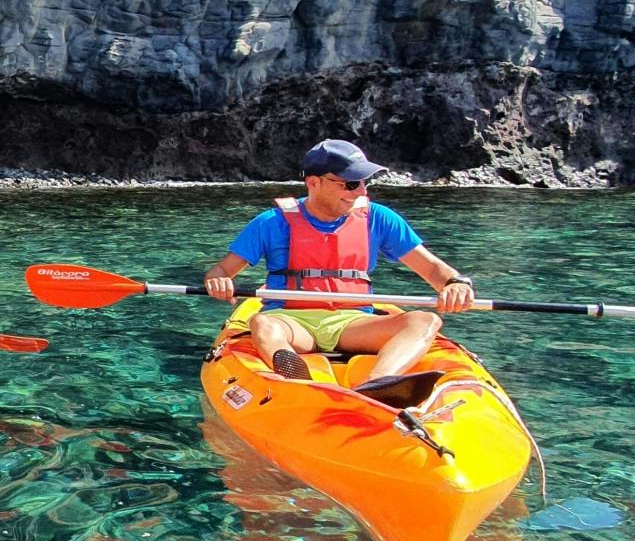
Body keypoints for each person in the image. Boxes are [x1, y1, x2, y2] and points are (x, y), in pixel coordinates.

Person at [201, 139, 476, 388]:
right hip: (292, 321)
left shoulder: (378, 218)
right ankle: (297, 384)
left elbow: (432, 269)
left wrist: (455, 283)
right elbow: (222, 269)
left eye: (364, 182)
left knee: (425, 320)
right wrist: (219, 280)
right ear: (314, 183)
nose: (360, 191)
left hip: (354, 323)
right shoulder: (271, 222)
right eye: (350, 183)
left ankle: (379, 383)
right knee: (262, 323)